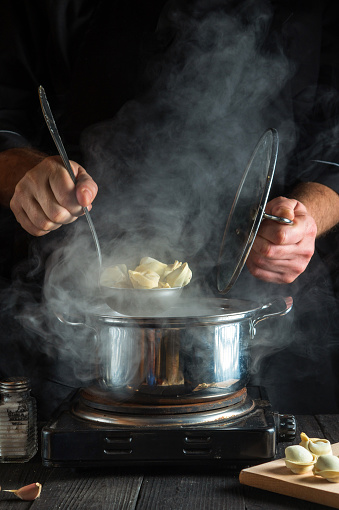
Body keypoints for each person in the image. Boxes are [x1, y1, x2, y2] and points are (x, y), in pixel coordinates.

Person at [0, 0, 338, 415]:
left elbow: (333, 139)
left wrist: (306, 217)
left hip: (267, 321)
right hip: (73, 320)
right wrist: (23, 171)